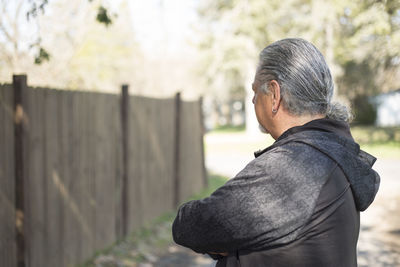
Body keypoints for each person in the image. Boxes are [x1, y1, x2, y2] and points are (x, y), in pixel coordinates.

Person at [172, 38, 380, 267]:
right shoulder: (333, 150)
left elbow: (191, 226)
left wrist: (229, 244)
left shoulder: (297, 164)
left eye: (255, 91)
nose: (252, 100)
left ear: (274, 93)